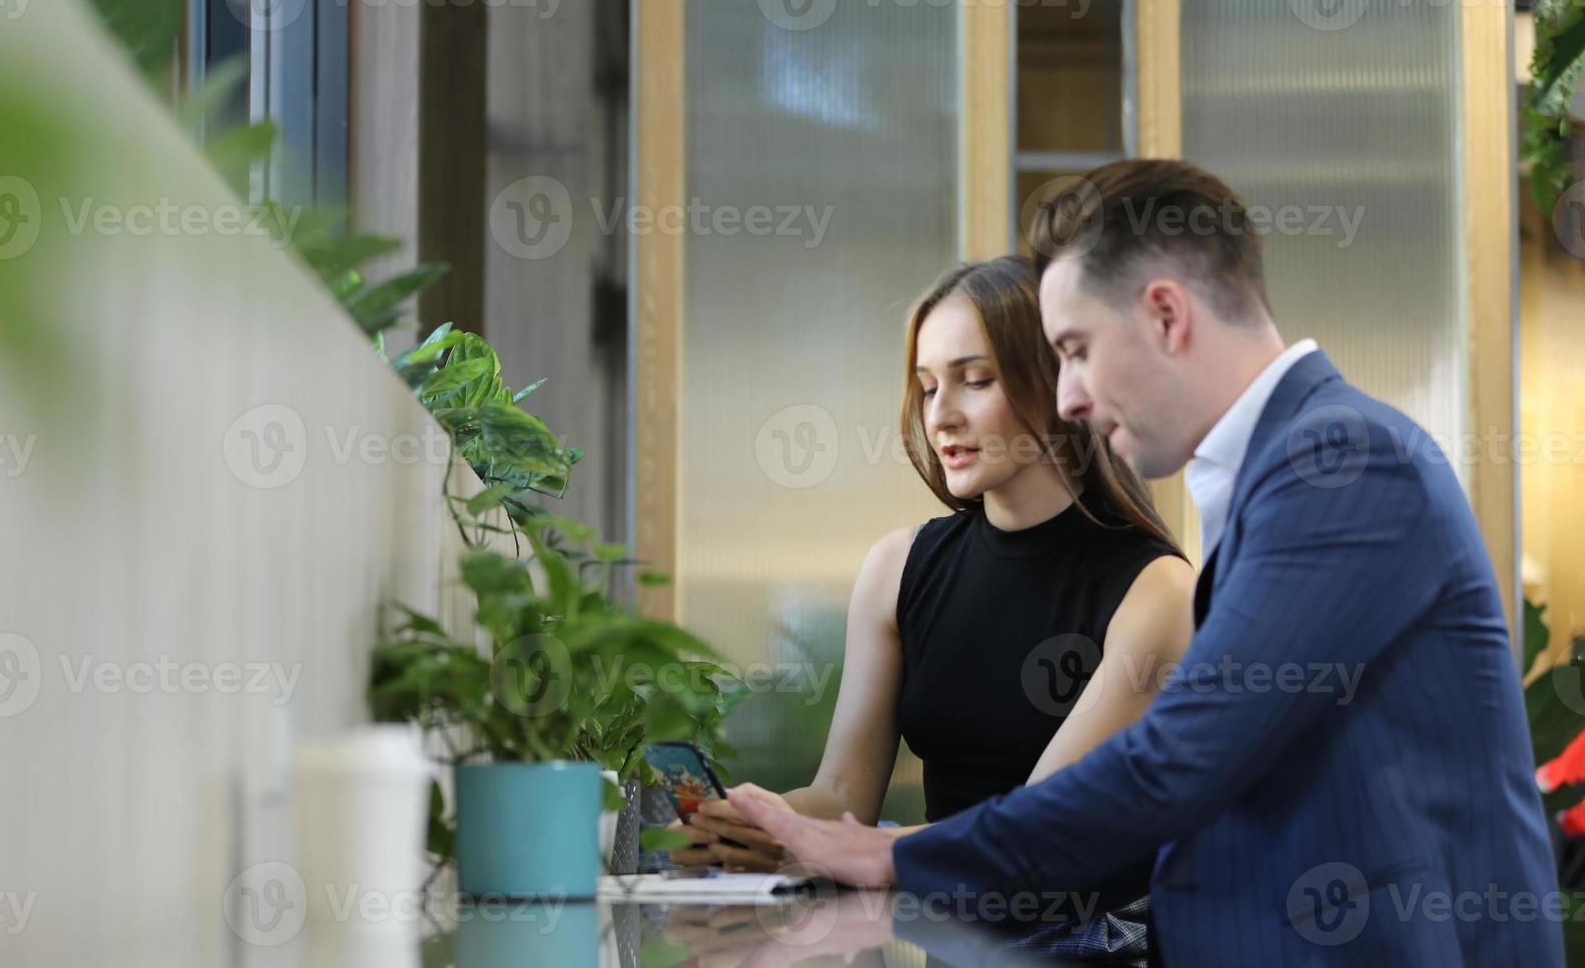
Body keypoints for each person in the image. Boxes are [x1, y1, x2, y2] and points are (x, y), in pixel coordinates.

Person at [733, 159, 1565, 966]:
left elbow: (1177, 760)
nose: (1068, 398)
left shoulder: (1339, 461)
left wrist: (886, 858)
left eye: (1078, 349)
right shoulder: (1288, 466)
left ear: (1167, 315)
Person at [671, 255, 1194, 944]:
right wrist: (762, 823)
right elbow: (841, 798)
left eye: (975, 381)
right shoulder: (898, 567)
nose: (941, 415)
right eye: (925, 388)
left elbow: (1034, 832)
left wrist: (831, 847)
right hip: (943, 933)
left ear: (1058, 383)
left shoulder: (1155, 592)